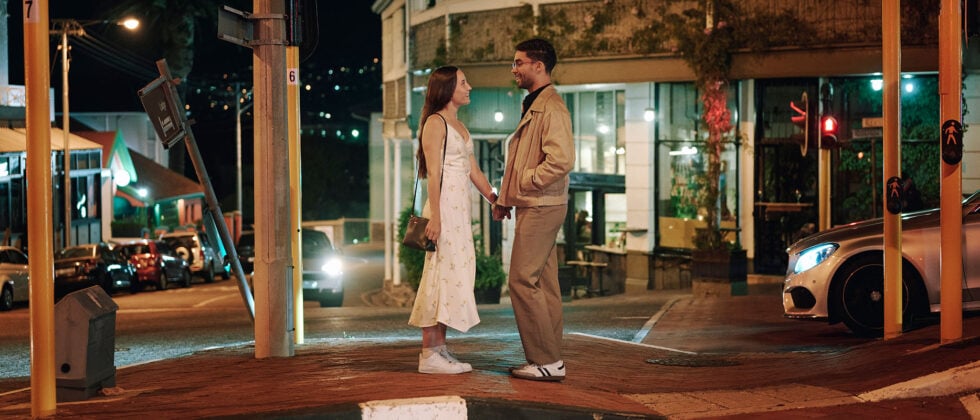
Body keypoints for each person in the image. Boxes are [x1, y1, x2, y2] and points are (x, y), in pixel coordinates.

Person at [492, 38, 575, 382]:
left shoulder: (550, 106)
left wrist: (526, 182)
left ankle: (545, 359)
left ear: (538, 66)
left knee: (521, 281)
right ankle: (551, 358)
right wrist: (505, 199)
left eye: (519, 62)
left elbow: (562, 159)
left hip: (541, 203)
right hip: (537, 202)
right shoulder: (536, 103)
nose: (514, 69)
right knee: (542, 282)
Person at [408, 66, 498, 375]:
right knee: (440, 275)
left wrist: (494, 199)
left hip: (459, 212)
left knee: (455, 274)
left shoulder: (459, 125)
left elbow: (473, 169)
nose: (469, 87)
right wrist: (436, 216)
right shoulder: (435, 123)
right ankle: (429, 353)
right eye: (463, 82)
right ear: (447, 89)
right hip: (444, 209)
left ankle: (439, 348)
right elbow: (433, 174)